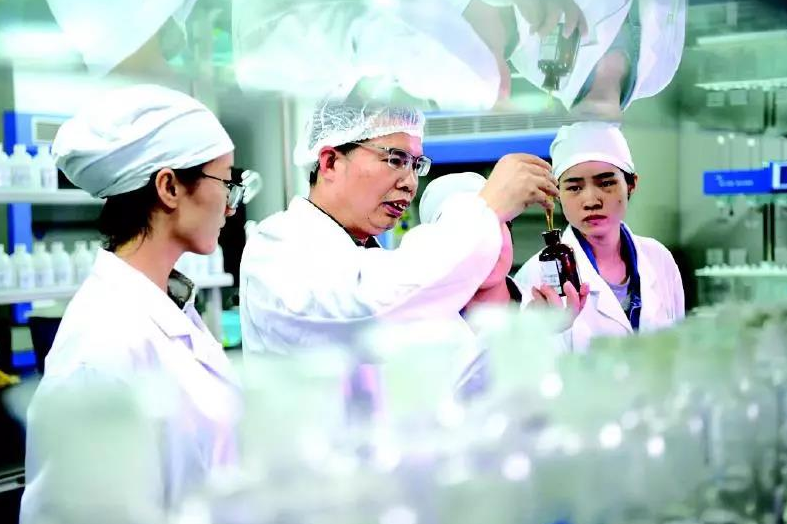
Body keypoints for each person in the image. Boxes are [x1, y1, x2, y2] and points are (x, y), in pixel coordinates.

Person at [20, 84, 244, 523]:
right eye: (226, 182)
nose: (232, 207)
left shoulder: (168, 308)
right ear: (169, 187)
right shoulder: (101, 350)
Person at [240, 100, 558, 372]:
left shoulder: (374, 260)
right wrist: (485, 208)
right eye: (395, 159)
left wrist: (526, 332)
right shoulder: (278, 246)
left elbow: (453, 378)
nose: (409, 182)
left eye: (416, 165)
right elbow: (369, 308)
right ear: (331, 162)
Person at [514, 121, 685, 352]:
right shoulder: (537, 275)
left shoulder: (658, 258)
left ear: (631, 184)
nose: (591, 201)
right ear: (557, 194)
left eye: (606, 183)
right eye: (574, 188)